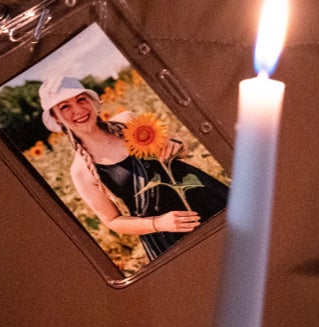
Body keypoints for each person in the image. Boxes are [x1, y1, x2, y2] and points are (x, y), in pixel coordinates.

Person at [39, 76, 228, 260]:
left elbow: (182, 147)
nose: (78, 109)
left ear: (91, 100)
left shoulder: (127, 120)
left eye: (81, 99)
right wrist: (159, 223)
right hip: (170, 233)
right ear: (56, 118)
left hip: (206, 196)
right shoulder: (80, 171)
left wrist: (176, 145)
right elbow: (112, 221)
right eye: (65, 106)